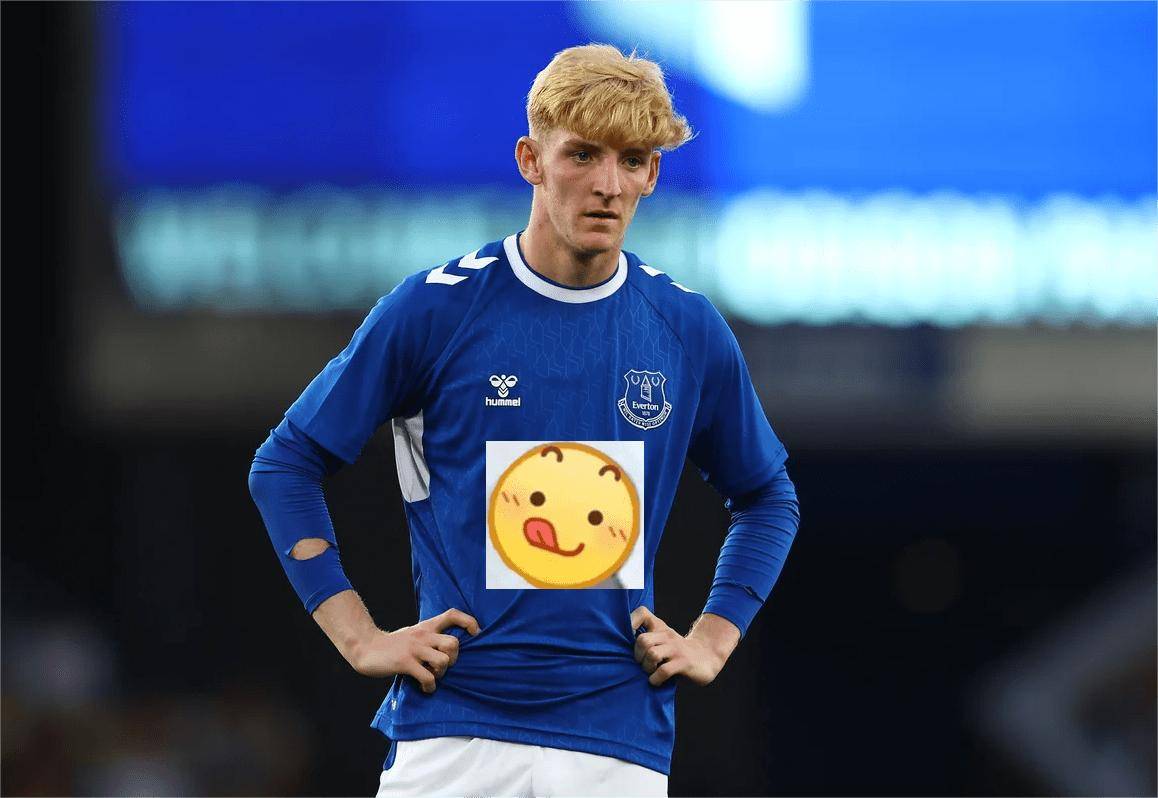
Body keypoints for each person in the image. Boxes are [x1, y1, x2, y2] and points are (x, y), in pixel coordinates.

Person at [249, 43, 800, 797]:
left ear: (652, 174)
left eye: (631, 160)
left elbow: (767, 495)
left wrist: (714, 636)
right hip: (453, 732)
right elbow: (285, 464)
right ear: (530, 160)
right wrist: (358, 637)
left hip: (617, 744)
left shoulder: (686, 328)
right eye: (582, 154)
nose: (607, 184)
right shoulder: (436, 310)